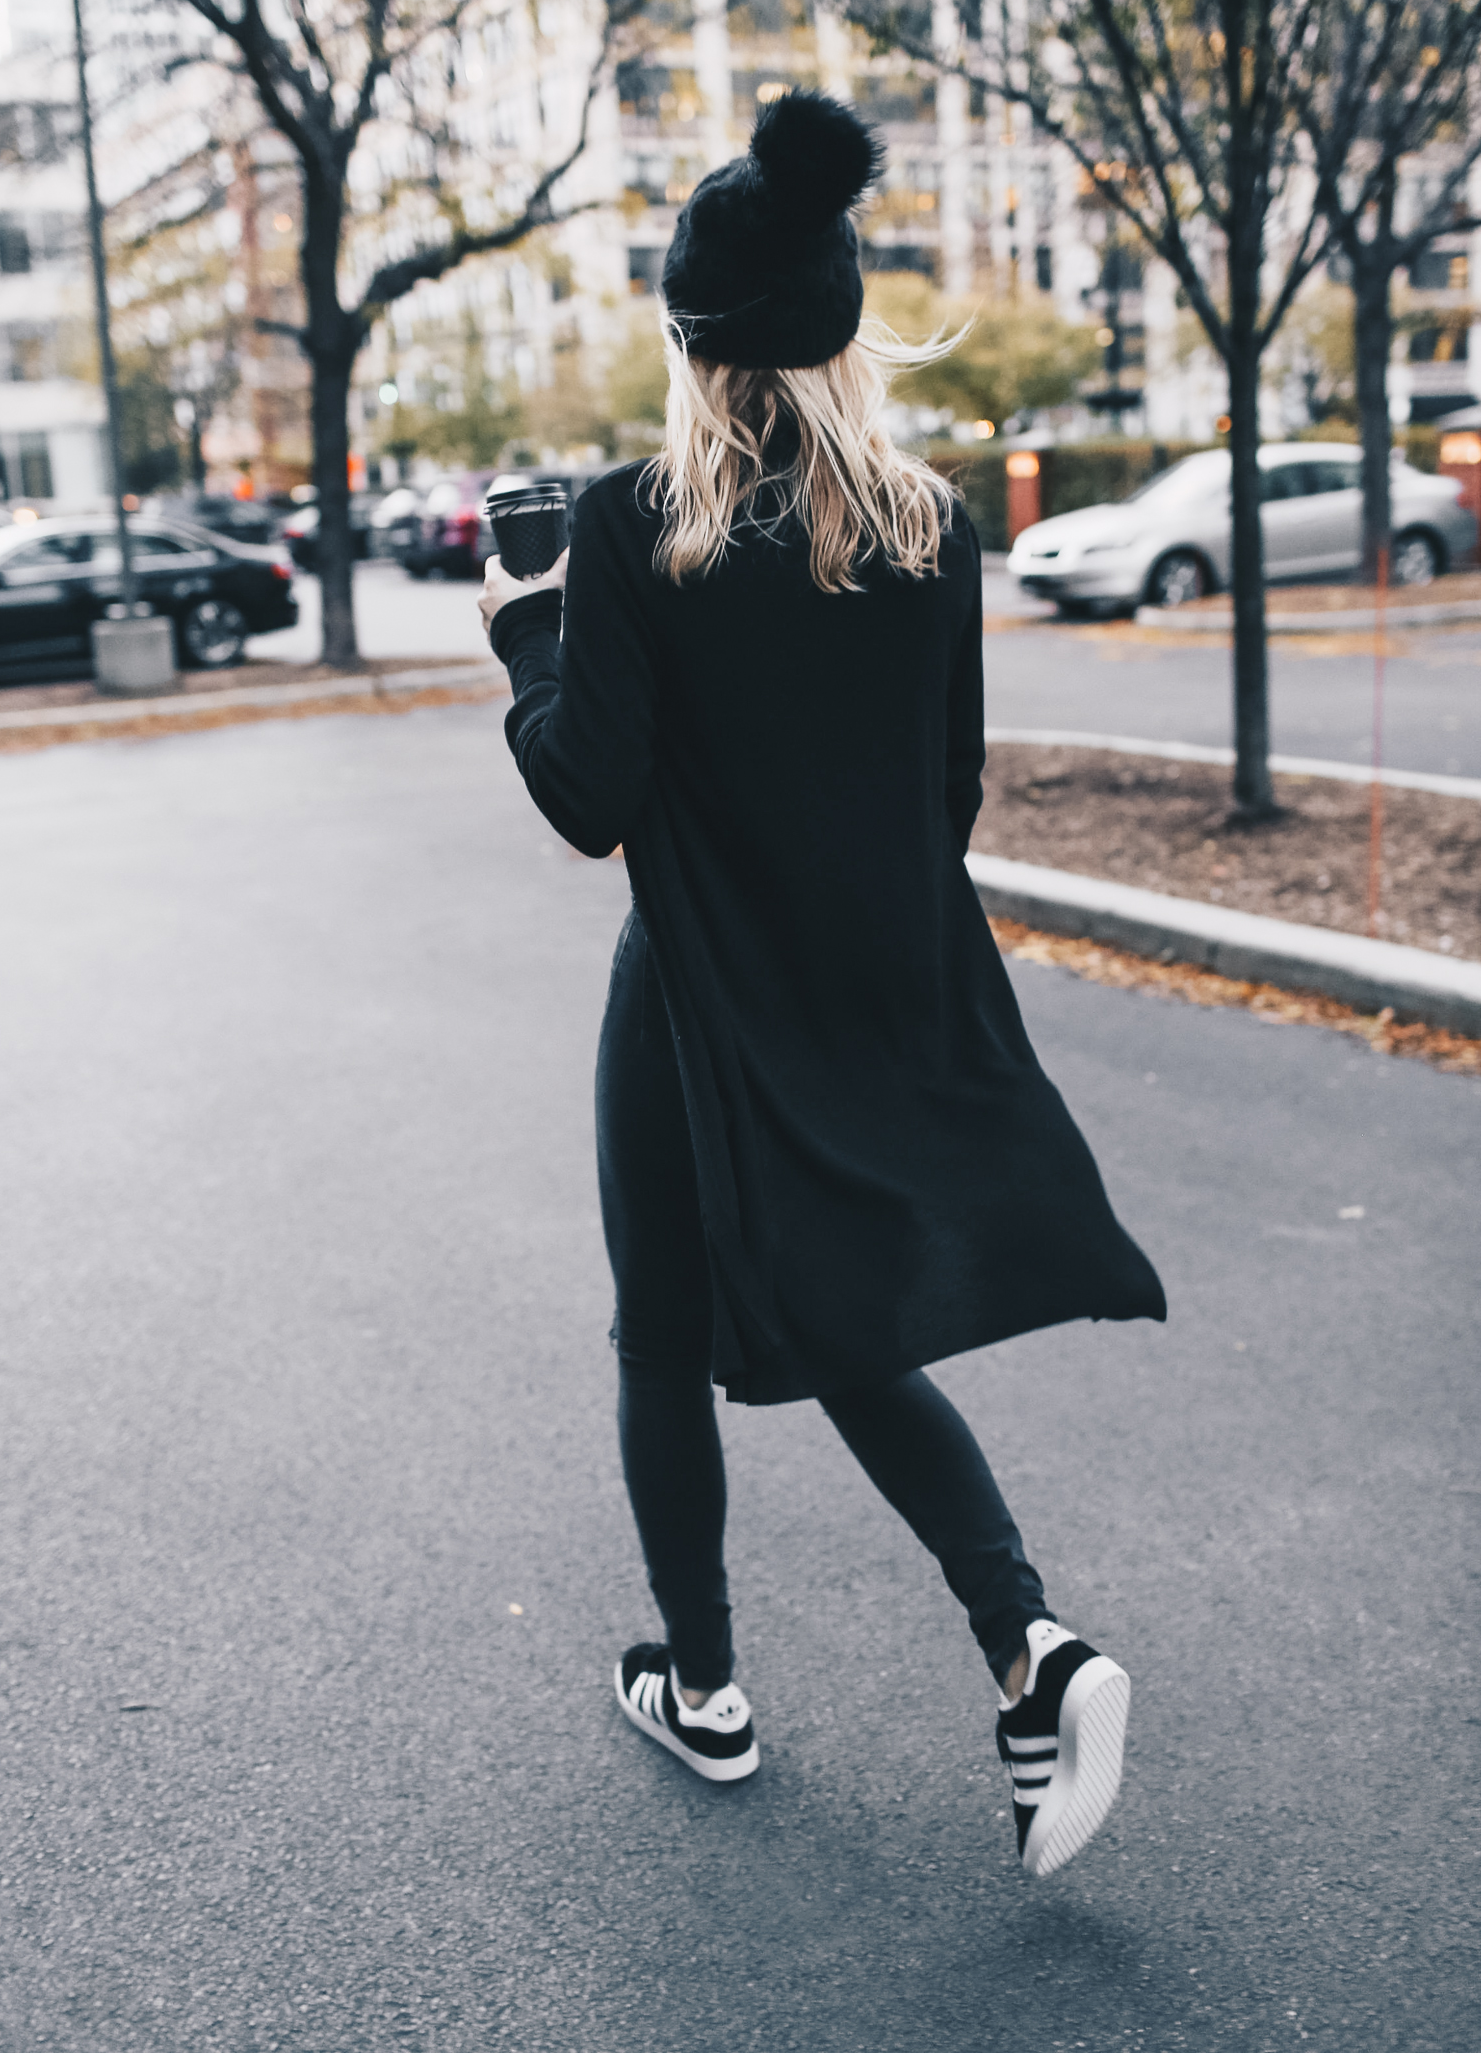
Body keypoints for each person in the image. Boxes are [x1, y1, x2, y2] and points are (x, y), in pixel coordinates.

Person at [479, 91, 1166, 1879]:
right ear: (847, 324)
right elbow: (949, 798)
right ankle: (1030, 1647)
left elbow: (589, 797)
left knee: (664, 1335)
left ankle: (703, 1687)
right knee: (844, 1318)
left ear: (693, 344)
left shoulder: (636, 528)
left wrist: (531, 627)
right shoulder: (936, 528)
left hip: (701, 995)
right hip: (881, 986)